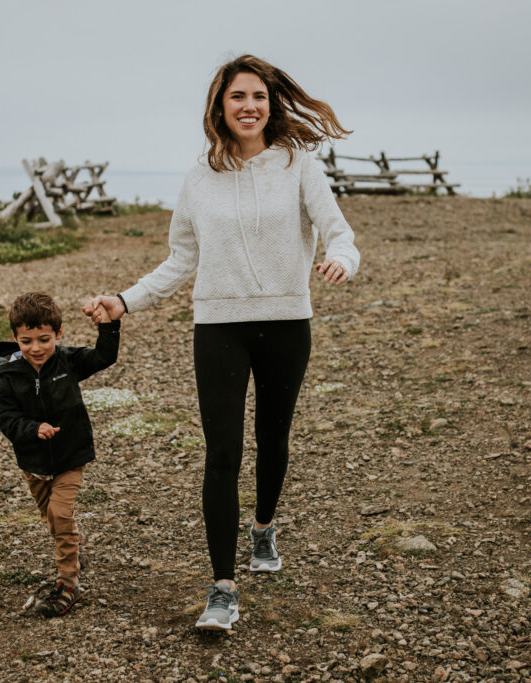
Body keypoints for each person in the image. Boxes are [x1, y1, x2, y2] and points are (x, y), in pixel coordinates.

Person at [83, 54, 359, 630]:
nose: (249, 106)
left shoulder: (299, 164)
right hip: (218, 327)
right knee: (222, 454)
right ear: (220, 105)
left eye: (258, 96)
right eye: (238, 97)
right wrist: (125, 300)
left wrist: (340, 259)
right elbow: (181, 259)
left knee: (273, 436)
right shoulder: (198, 178)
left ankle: (263, 528)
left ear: (271, 103)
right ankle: (223, 588)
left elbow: (337, 231)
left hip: (287, 321)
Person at [0, 291, 117, 617]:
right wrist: (32, 429)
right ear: (15, 339)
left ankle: (69, 583)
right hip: (34, 462)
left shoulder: (67, 361)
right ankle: (70, 550)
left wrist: (109, 326)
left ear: (58, 334)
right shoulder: (6, 378)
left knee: (60, 514)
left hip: (71, 455)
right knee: (52, 519)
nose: (36, 348)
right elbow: (5, 418)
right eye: (26, 341)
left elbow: (104, 357)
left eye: (44, 339)